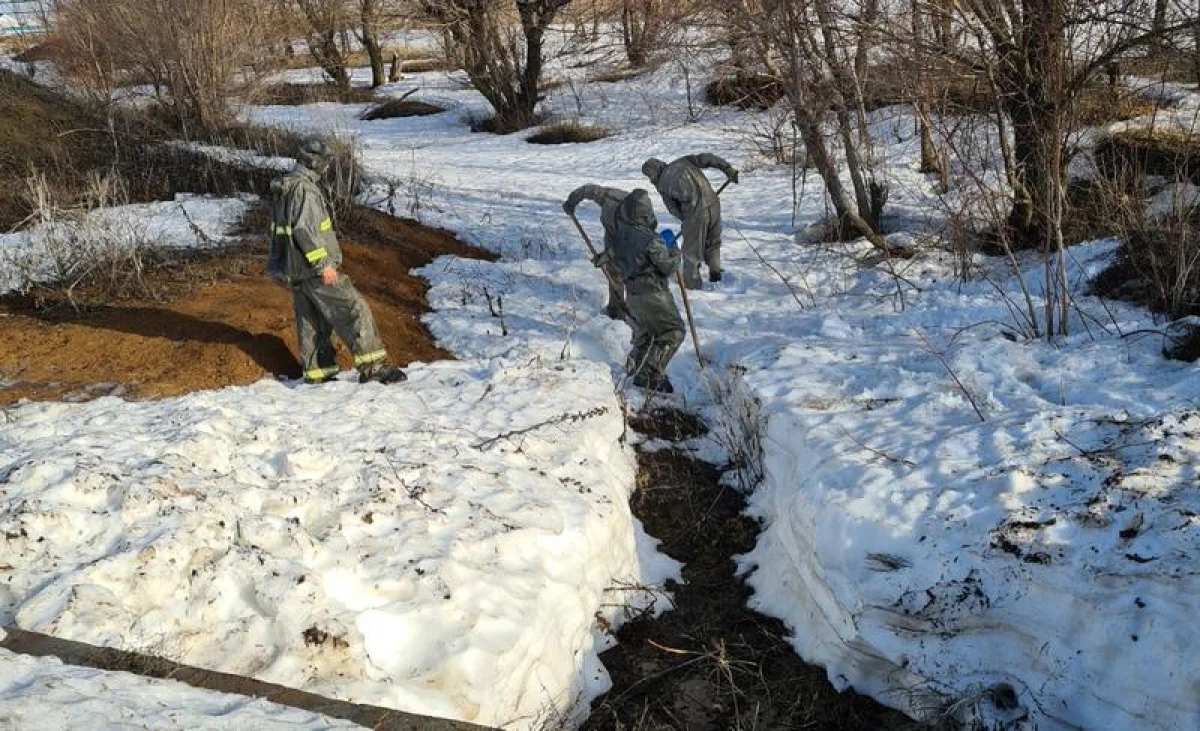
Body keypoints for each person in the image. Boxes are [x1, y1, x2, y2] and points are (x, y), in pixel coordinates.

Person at [267, 136, 407, 385]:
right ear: (314, 161)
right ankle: (373, 367)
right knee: (353, 308)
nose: (327, 168)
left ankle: (319, 374)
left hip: (296, 269)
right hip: (313, 268)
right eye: (326, 163)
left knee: (313, 321)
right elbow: (306, 230)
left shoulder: (286, 186)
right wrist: (324, 266)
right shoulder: (303, 189)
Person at [598, 189, 685, 394]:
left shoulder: (619, 237)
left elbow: (610, 258)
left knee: (646, 333)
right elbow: (668, 267)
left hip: (633, 295)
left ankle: (634, 366)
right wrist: (674, 251)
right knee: (673, 332)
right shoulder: (651, 239)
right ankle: (650, 375)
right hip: (654, 294)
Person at [641, 153, 739, 289]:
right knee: (713, 242)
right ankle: (715, 274)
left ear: (651, 174)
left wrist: (688, 221)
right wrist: (727, 169)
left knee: (690, 253)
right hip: (714, 203)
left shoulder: (662, 184)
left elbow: (673, 209)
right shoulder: (683, 161)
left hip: (695, 213)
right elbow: (707, 158)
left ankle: (693, 285)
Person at [563, 184, 631, 320]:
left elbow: (626, 247)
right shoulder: (606, 196)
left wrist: (608, 255)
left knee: (631, 269)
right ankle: (616, 309)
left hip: (629, 239)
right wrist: (571, 201)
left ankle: (633, 310)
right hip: (614, 232)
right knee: (613, 270)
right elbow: (587, 189)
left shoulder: (637, 222)